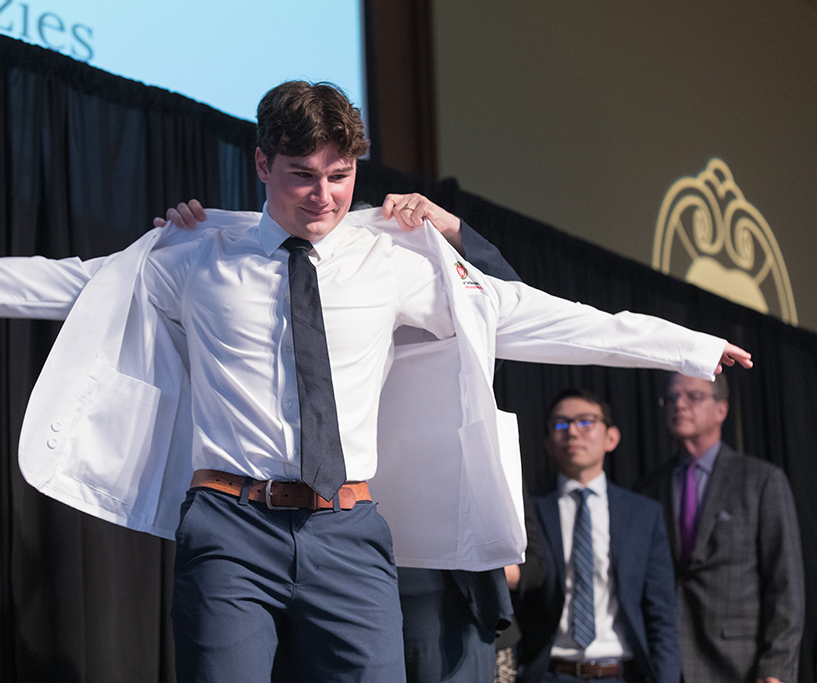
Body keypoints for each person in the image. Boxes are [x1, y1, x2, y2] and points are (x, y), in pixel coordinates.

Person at [0, 80, 751, 683]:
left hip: (351, 532)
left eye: (340, 176)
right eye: (301, 175)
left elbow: (539, 314)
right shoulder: (196, 249)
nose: (323, 195)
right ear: (260, 164)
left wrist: (691, 346)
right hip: (230, 527)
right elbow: (69, 281)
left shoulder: (398, 257)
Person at [159, 196, 522, 683]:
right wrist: (179, 237)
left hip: (413, 561)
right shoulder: (252, 291)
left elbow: (502, 305)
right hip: (262, 525)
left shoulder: (409, 290)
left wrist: (454, 231)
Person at [638, 373, 803, 683]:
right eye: (671, 398)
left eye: (693, 397)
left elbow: (785, 584)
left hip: (739, 664)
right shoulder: (649, 488)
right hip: (664, 663)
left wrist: (776, 670)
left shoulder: (761, 480)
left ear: (722, 410)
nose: (680, 405)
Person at [514, 389, 679, 683]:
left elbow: (661, 613)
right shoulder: (530, 514)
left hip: (623, 673)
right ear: (548, 443)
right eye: (561, 425)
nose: (573, 432)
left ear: (611, 438)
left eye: (586, 422)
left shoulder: (643, 514)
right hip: (551, 673)